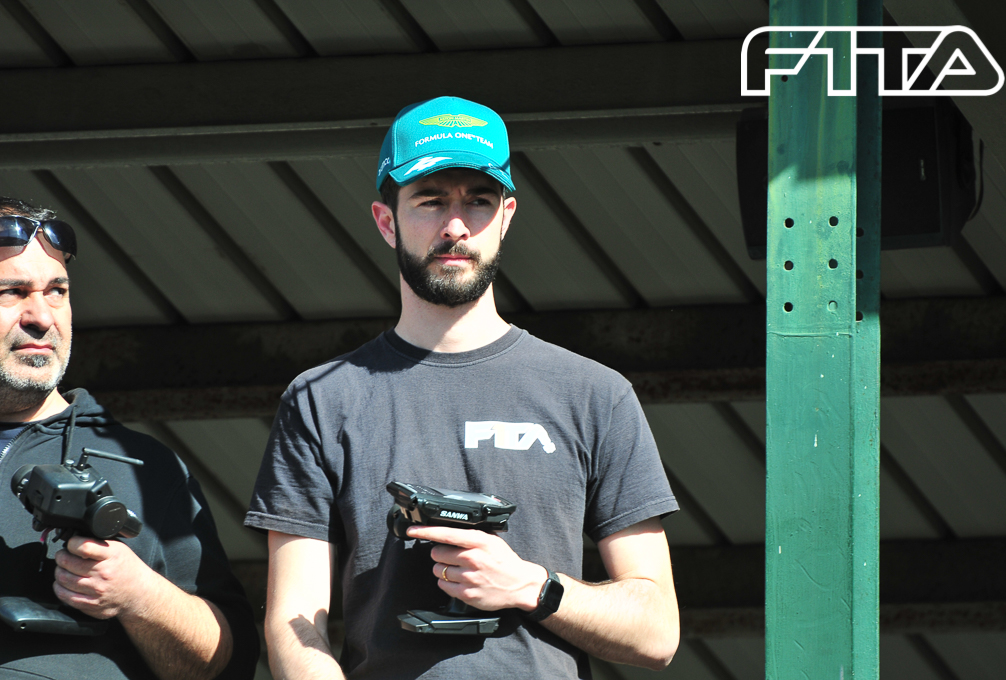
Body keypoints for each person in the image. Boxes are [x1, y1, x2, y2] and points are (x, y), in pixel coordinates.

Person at [246, 96, 680, 679]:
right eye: (430, 201)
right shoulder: (323, 399)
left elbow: (657, 632)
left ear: (506, 217)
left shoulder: (594, 395)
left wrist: (531, 586)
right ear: (386, 221)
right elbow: (294, 624)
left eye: (478, 201)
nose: (455, 226)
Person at [0, 197, 259, 679]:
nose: (42, 316)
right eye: (12, 292)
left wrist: (138, 595)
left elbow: (228, 662)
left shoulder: (143, 467)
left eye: (57, 291)